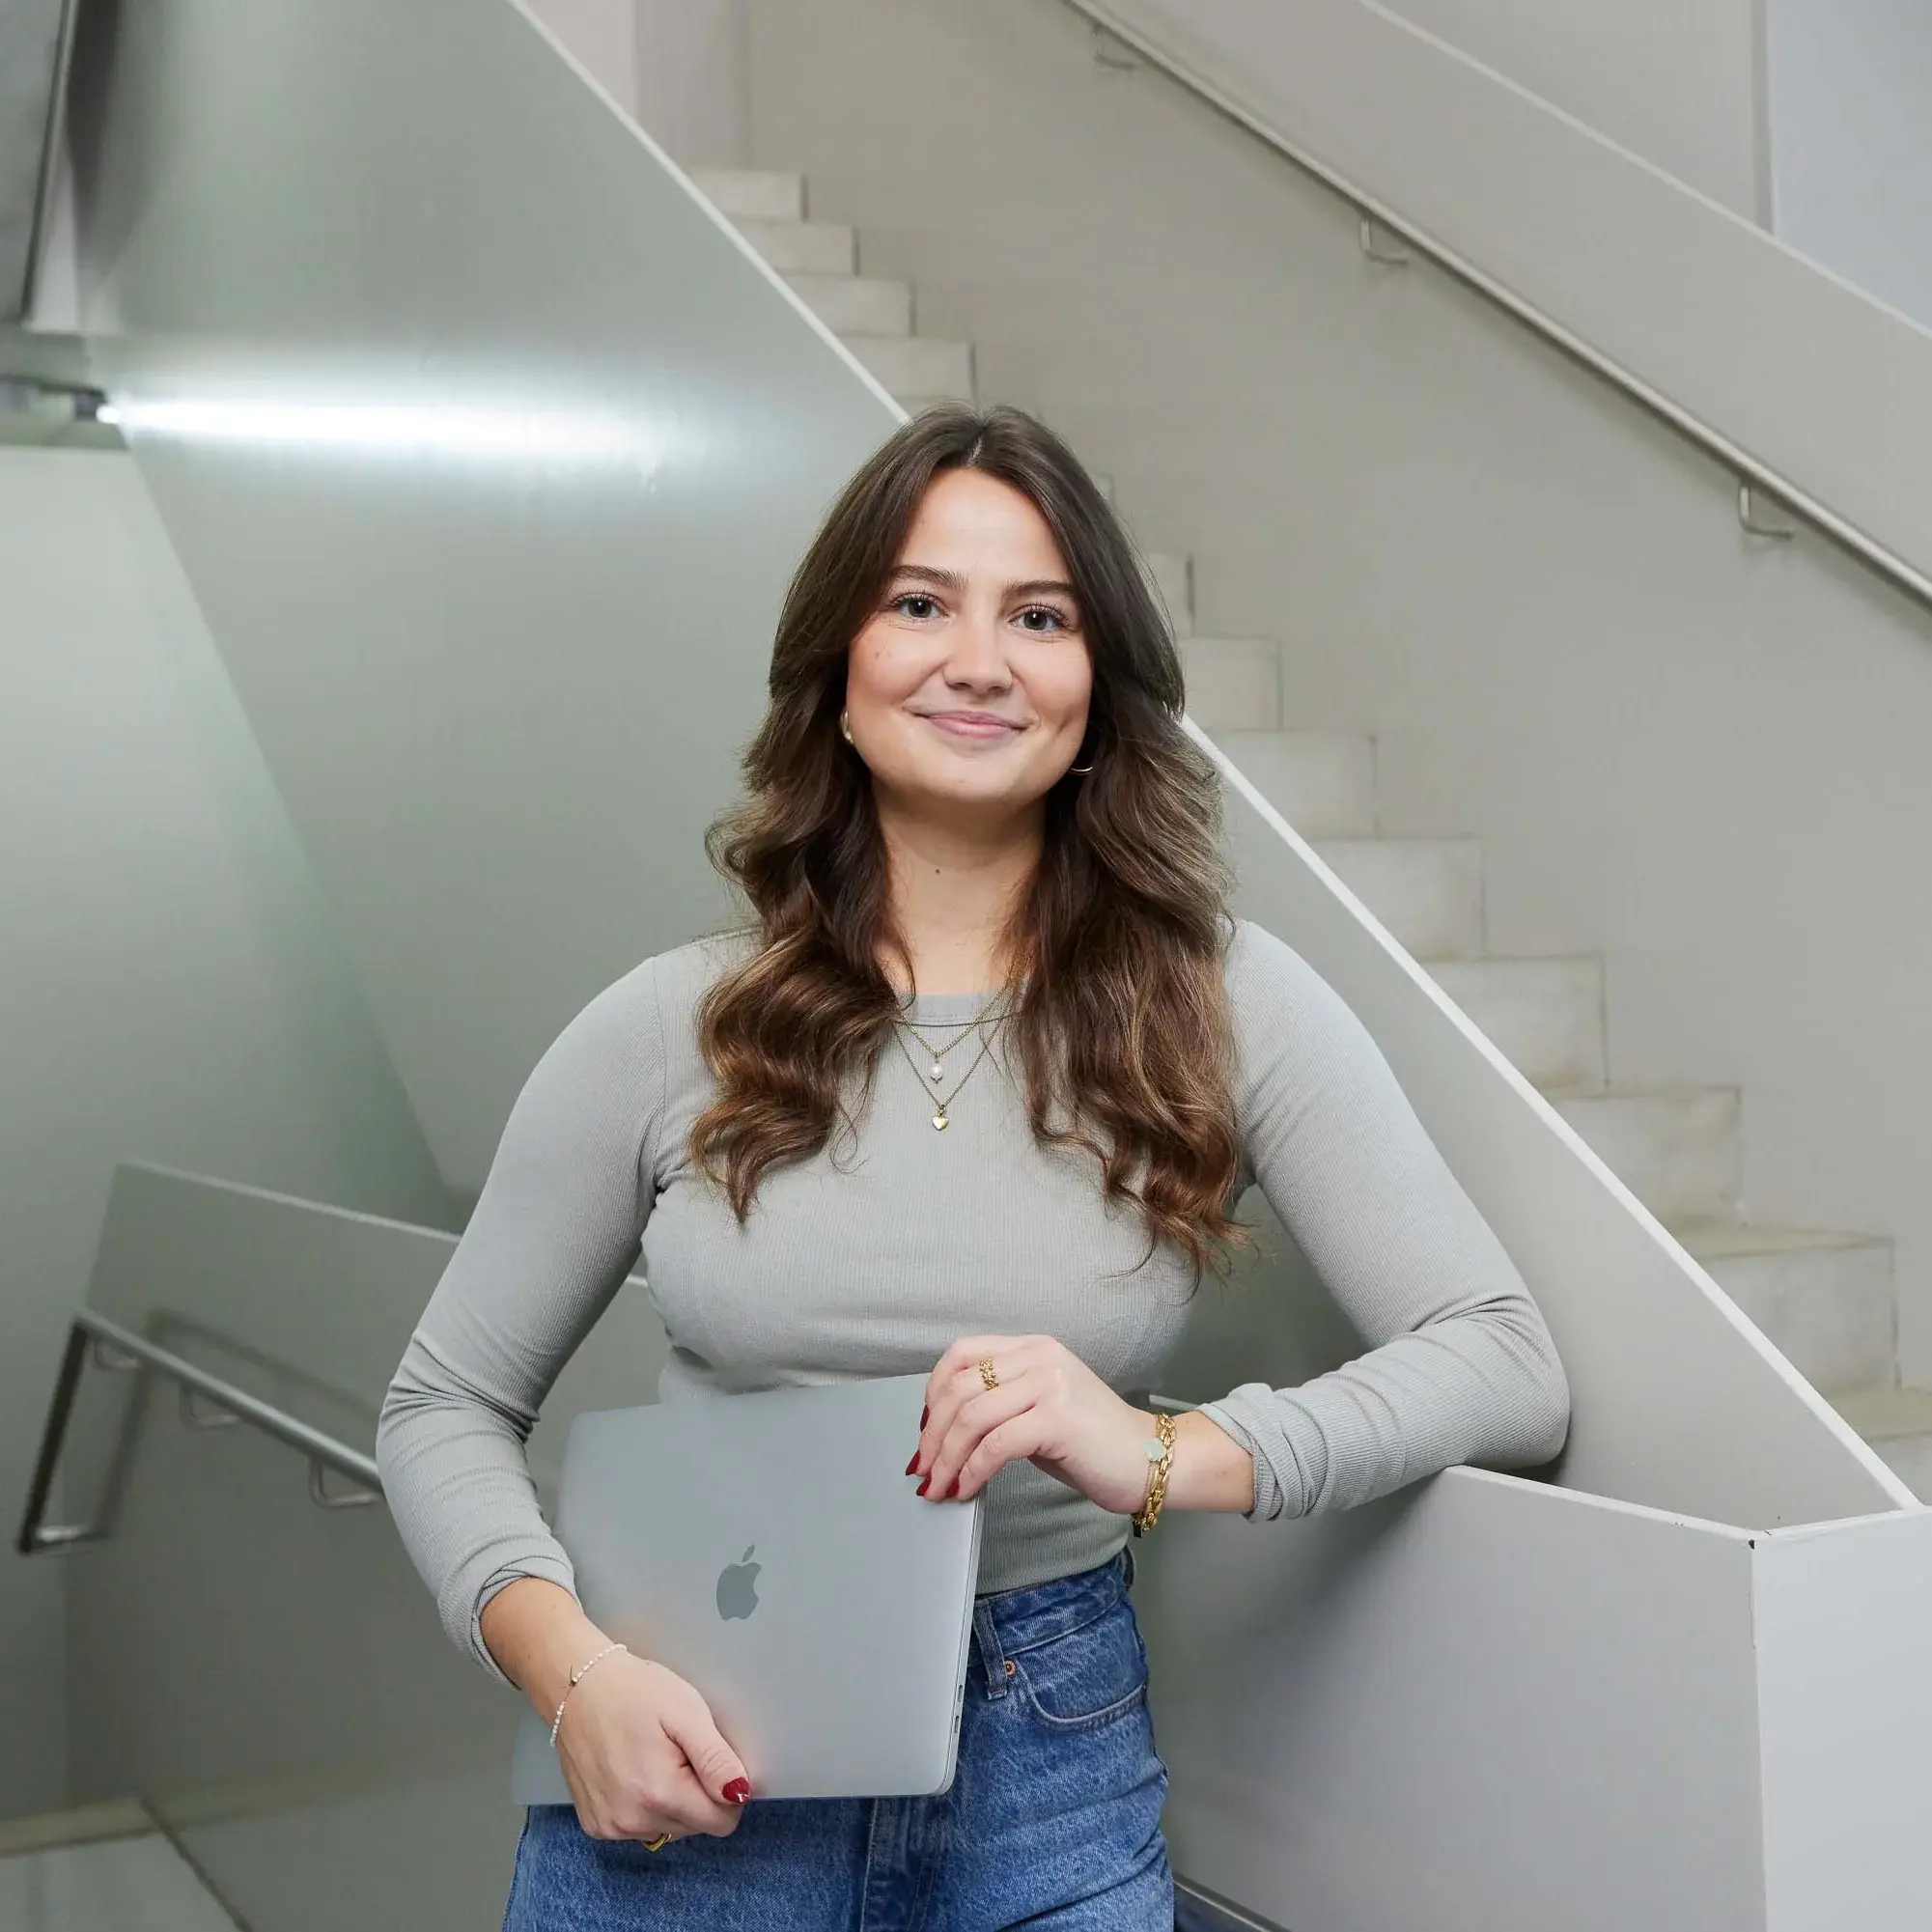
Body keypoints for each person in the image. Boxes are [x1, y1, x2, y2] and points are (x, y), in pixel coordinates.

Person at [375, 401, 1571, 1929]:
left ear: (1097, 682)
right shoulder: (670, 1024)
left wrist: (1165, 1452)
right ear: (841, 672)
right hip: (683, 1747)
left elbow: (1505, 1359)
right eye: (921, 603)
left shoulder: (1222, 1001)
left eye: (1042, 614)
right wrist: (573, 1676)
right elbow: (443, 1403)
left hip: (1050, 1769)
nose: (981, 659)